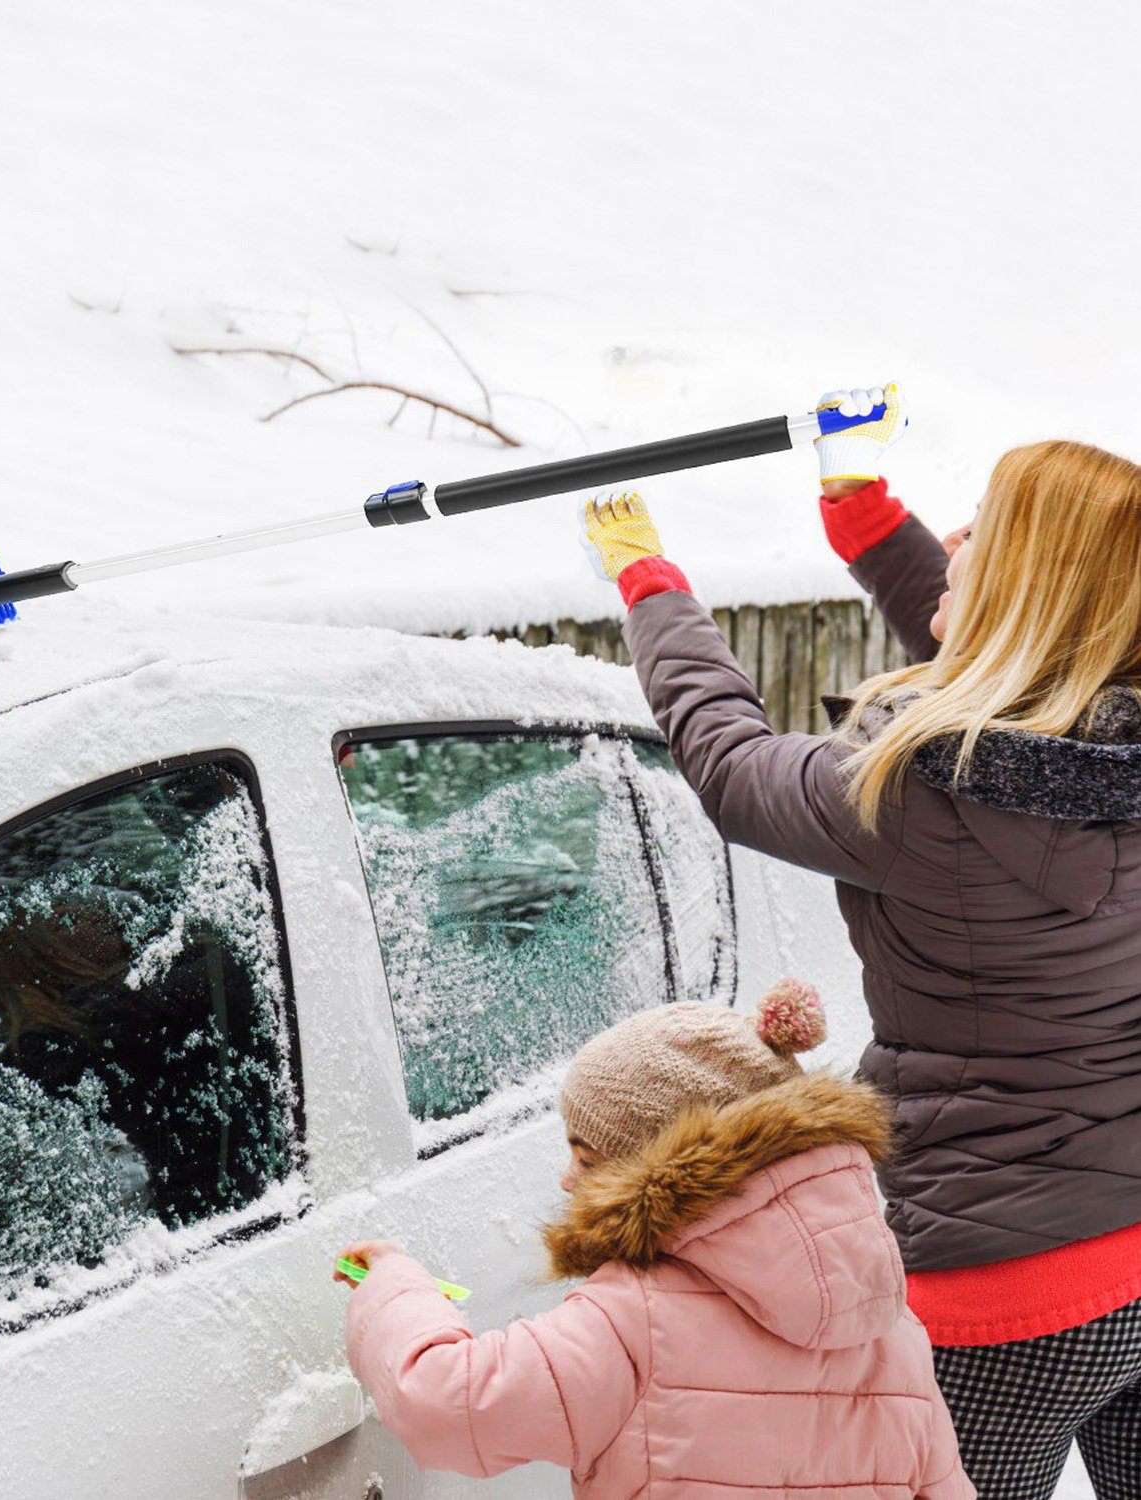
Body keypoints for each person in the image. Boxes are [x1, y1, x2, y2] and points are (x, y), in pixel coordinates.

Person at [582, 386, 1141, 1500]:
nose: (960, 539)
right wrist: (863, 511)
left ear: (1025, 584)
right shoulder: (1109, 741)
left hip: (999, 1299)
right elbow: (1023, 664)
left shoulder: (915, 793)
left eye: (981, 524)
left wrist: (649, 586)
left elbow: (734, 769)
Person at [338, 983, 972, 1498]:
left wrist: (396, 1284)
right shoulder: (889, 1326)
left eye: (586, 1159)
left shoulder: (630, 1321)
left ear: (652, 1170)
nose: (567, 1179)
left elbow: (445, 1403)